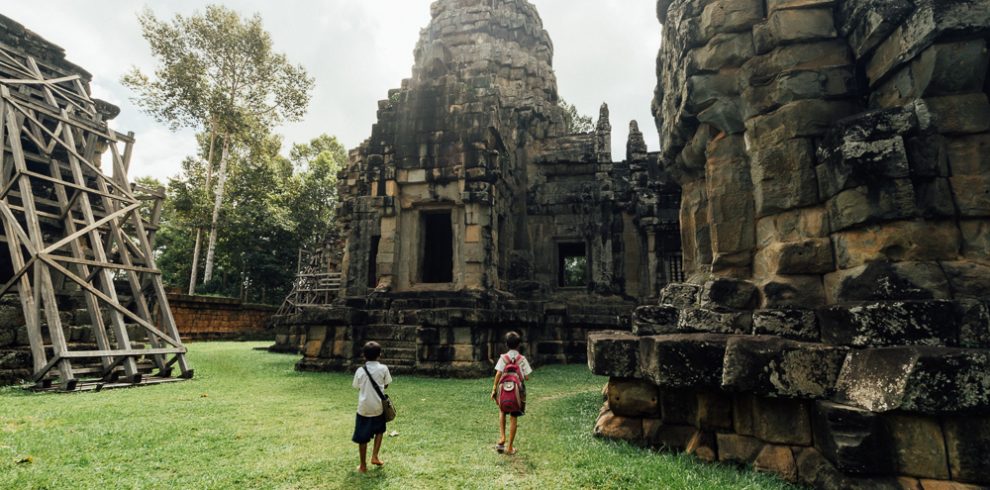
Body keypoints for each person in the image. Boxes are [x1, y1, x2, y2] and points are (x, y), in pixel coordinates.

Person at [352, 341, 392, 473]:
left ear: (364, 355)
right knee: (380, 430)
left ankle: (363, 465)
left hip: (363, 408)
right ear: (379, 355)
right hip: (378, 407)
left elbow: (357, 386)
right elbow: (386, 385)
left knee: (362, 437)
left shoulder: (360, 370)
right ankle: (375, 455)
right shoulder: (384, 368)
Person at [491, 331, 533, 455]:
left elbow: (498, 373)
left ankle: (502, 437)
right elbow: (526, 377)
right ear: (519, 345)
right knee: (514, 416)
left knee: (502, 411)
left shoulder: (503, 358)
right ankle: (509, 447)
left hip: (504, 391)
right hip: (517, 393)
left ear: (506, 344)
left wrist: (494, 389)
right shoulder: (522, 359)